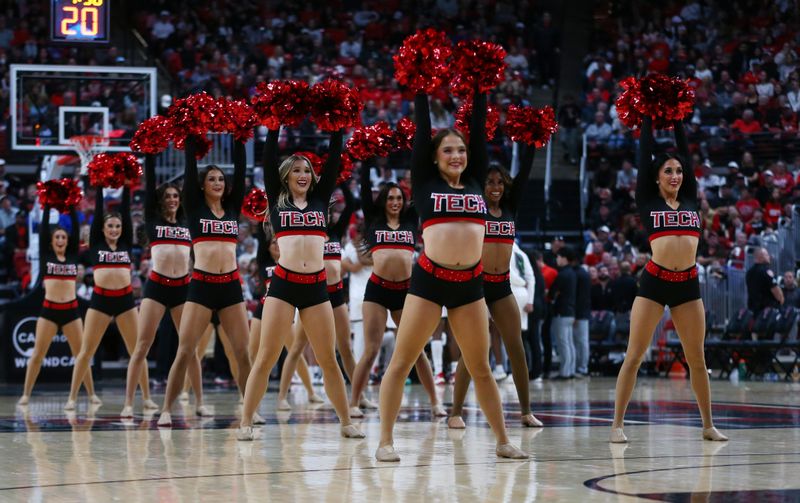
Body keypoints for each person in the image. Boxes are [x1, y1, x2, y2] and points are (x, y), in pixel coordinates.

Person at [375, 89, 527, 461]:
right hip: (428, 283)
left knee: (480, 367)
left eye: (461, 150)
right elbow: (424, 127)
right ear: (434, 158)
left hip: (470, 287)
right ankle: (385, 441)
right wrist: (422, 87)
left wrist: (480, 86)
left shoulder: (476, 180)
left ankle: (504, 441)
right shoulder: (425, 181)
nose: (457, 155)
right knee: (402, 361)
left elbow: (477, 129)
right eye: (448, 150)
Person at [238, 127, 364, 440]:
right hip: (282, 285)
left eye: (307, 169)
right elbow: (268, 160)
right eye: (296, 170)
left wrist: (337, 130)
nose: (303, 174)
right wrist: (275, 124)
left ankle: (347, 422)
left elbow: (334, 160)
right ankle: (245, 423)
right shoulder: (277, 201)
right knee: (266, 357)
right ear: (285, 176)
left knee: (328, 359)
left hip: (316, 288)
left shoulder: (321, 200)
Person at [611, 115, 727, 443]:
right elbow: (644, 151)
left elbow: (687, 155)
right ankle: (617, 424)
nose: (675, 175)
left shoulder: (689, 198)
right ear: (657, 178)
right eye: (668, 171)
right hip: (654, 283)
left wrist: (677, 119)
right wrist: (647, 117)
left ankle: (707, 425)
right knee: (634, 355)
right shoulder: (647, 199)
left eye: (678, 171)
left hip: (688, 285)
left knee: (697, 359)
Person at [158, 137, 253, 426]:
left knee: (242, 352)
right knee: (185, 350)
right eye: (211, 179)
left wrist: (239, 136)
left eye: (221, 179)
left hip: (231, 286)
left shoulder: (233, 207)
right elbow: (189, 170)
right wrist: (190, 138)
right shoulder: (194, 208)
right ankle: (165, 409)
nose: (218, 182)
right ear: (201, 185)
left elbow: (241, 167)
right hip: (201, 286)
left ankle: (249, 408)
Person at [449, 149, 542, 429]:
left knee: (516, 348)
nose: (496, 187)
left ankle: (526, 411)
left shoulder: (510, 209)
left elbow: (524, 175)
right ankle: (455, 413)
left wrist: (532, 144)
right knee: (471, 351)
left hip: (502, 286)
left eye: (500, 182)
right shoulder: (476, 207)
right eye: (490, 182)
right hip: (476, 286)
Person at [349, 159, 445, 419]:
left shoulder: (412, 219)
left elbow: (420, 188)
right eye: (390, 198)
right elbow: (366, 186)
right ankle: (354, 403)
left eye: (399, 198)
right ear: (383, 200)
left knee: (417, 351)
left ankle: (436, 402)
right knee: (371, 350)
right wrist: (366, 157)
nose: (395, 202)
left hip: (406, 292)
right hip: (377, 291)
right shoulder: (373, 218)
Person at [122, 156, 202, 418]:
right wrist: (151, 155)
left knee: (189, 347)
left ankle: (199, 401)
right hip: (156, 287)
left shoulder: (188, 222)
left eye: (175, 196)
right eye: (167, 196)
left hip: (183, 289)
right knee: (142, 345)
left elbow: (190, 187)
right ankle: (128, 404)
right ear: (161, 199)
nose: (172, 199)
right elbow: (148, 190)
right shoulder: (153, 222)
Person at [66, 183, 151, 410]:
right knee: (86, 351)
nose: (114, 229)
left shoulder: (124, 244)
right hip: (100, 301)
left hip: (125, 302)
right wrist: (101, 186)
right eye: (110, 226)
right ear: (102, 229)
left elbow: (123, 209)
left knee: (137, 350)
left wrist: (126, 185)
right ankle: (72, 397)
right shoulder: (96, 242)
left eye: (117, 226)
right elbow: (99, 212)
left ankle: (147, 398)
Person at [277, 185, 357, 409]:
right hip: (314, 294)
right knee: (297, 348)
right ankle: (282, 397)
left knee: (345, 349)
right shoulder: (307, 232)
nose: (325, 214)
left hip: (337, 296)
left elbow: (350, 205)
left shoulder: (337, 231)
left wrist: (341, 180)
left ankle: (358, 398)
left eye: (327, 211)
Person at [18, 204, 98, 405]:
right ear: (51, 241)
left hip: (71, 311)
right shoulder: (47, 256)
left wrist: (71, 206)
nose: (61, 240)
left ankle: (91, 394)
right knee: (37, 354)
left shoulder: (71, 256)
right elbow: (44, 228)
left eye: (63, 237)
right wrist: (46, 205)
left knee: (81, 355)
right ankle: (26, 394)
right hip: (49, 311)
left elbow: (77, 230)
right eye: (57, 238)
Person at [550, 247, 577, 379]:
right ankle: (570, 370)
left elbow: (552, 292)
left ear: (564, 258)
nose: (557, 259)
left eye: (559, 257)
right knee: (569, 342)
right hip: (570, 311)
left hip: (562, 312)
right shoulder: (572, 273)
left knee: (563, 343)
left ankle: (564, 372)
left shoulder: (562, 274)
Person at [746, 247, 784, 313]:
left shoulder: (749, 272)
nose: (769, 256)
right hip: (767, 312)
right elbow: (777, 292)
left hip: (753, 309)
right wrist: (781, 300)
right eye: (767, 255)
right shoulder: (766, 271)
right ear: (761, 256)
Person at [572, 255, 591, 378]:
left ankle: (582, 367)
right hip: (582, 312)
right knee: (580, 341)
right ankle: (581, 367)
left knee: (581, 341)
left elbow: (580, 297)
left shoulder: (579, 274)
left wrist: (576, 314)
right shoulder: (583, 273)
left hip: (580, 313)